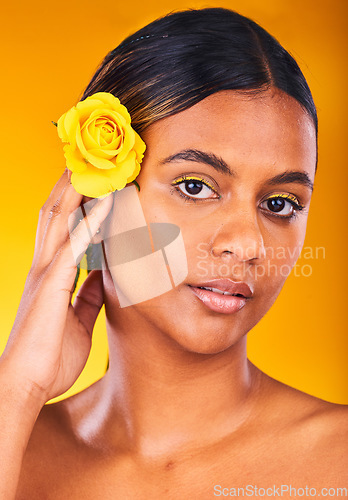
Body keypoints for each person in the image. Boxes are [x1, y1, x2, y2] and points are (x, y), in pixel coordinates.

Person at [1, 7, 347, 499]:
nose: (247, 245)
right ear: (98, 196)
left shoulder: (339, 460)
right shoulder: (12, 448)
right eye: (195, 186)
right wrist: (15, 391)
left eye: (279, 203)